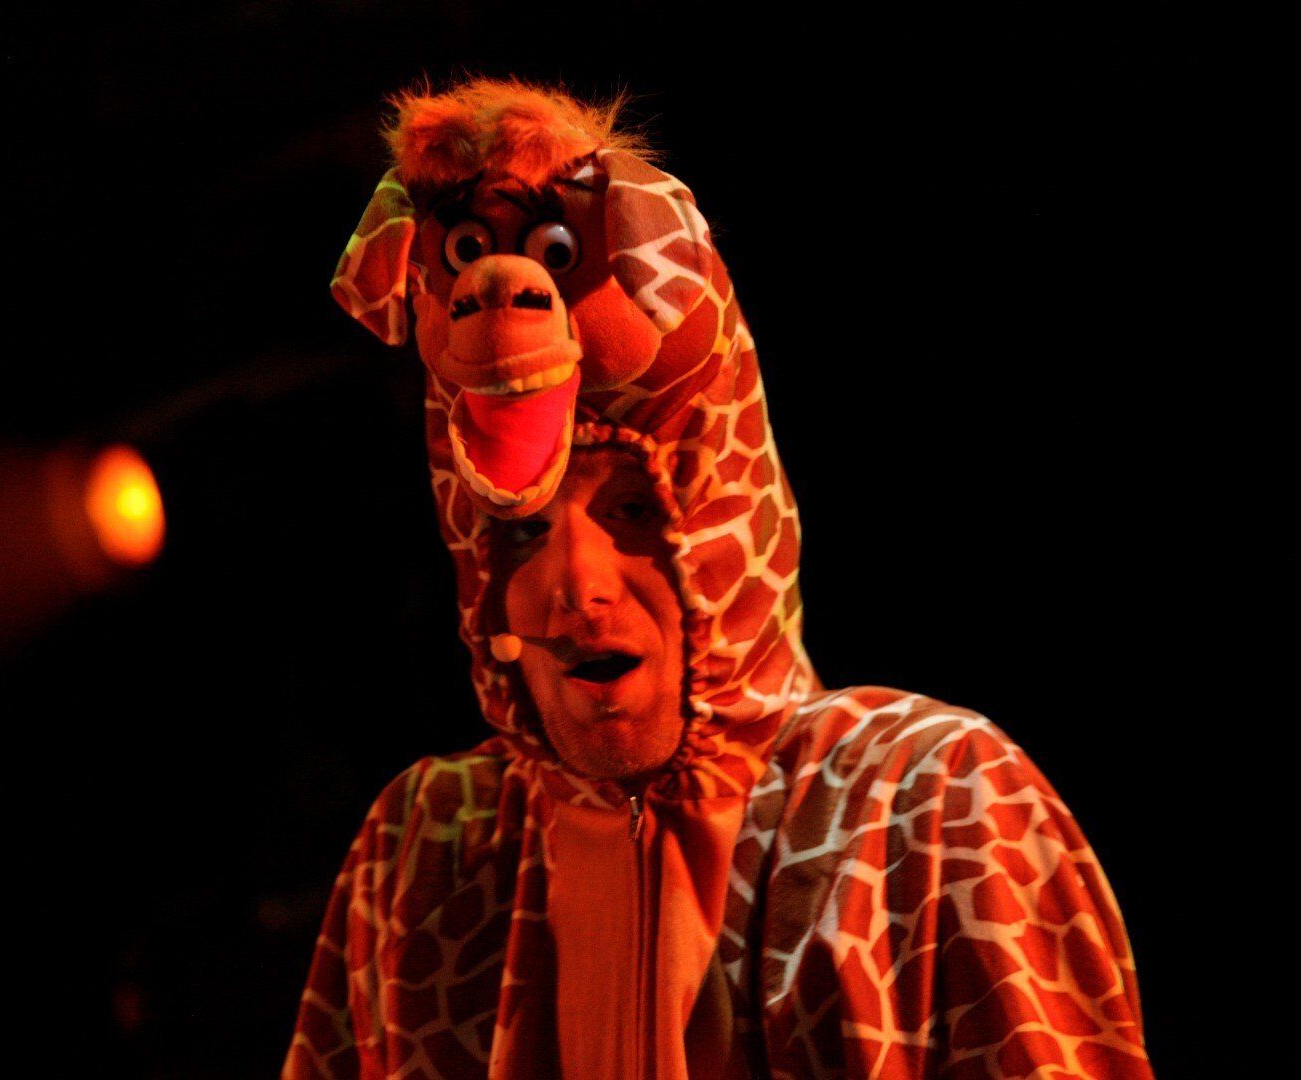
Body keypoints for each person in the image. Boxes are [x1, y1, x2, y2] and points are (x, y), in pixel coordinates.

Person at [286, 80, 1153, 1079]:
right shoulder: (429, 854)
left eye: (633, 513)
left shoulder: (925, 802)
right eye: (521, 534)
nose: (577, 586)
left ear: (722, 522)